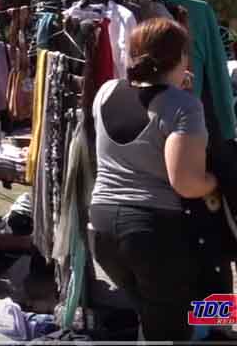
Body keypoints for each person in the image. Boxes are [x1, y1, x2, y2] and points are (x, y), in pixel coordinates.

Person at [89, 18, 217, 341]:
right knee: (171, 327)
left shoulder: (104, 93)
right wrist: (217, 182)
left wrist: (174, 92)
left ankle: (206, 325)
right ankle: (209, 326)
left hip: (102, 226)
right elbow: (185, 182)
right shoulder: (184, 106)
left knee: (154, 313)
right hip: (151, 231)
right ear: (182, 59)